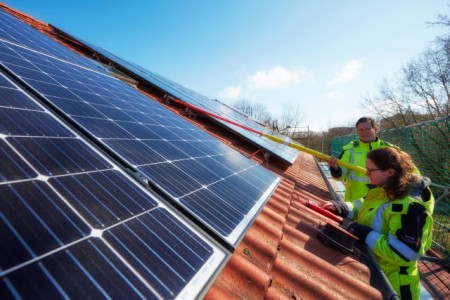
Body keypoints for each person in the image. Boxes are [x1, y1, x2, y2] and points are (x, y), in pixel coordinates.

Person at [323, 147, 434, 300]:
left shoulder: (411, 207)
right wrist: (340, 207)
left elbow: (406, 253)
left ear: (390, 172)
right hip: (375, 271)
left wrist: (364, 233)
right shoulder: (384, 190)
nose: (366, 173)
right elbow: (361, 206)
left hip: (395, 286)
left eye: (370, 170)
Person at [326, 117, 398, 202]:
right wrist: (335, 168)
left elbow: (406, 172)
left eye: (368, 128)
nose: (364, 132)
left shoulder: (389, 149)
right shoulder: (350, 149)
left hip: (383, 202)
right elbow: (340, 176)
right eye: (361, 130)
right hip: (356, 203)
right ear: (357, 131)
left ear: (376, 128)